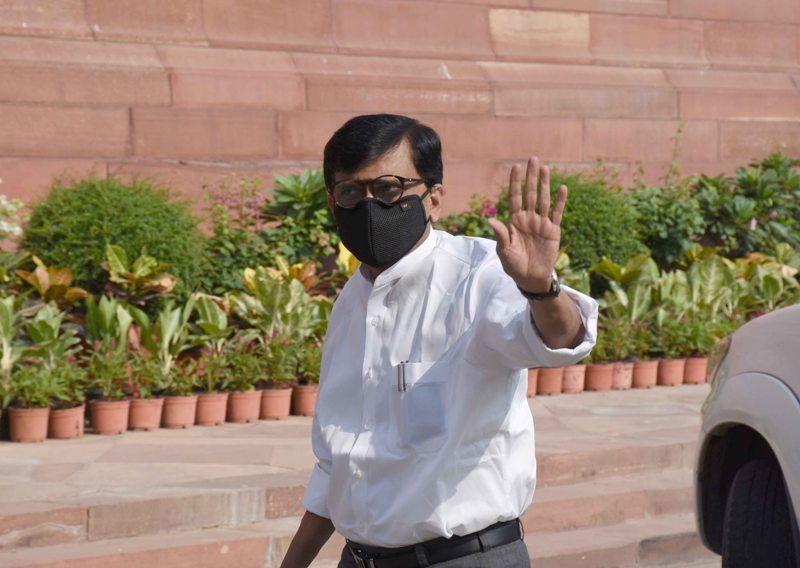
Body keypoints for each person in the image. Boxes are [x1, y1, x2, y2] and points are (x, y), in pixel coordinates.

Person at [280, 114, 598, 568]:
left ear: (434, 198)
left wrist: (539, 289)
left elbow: (559, 339)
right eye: (351, 192)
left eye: (388, 188)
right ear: (333, 201)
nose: (369, 206)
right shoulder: (351, 304)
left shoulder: (480, 273)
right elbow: (337, 467)